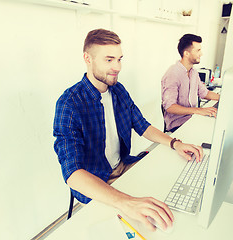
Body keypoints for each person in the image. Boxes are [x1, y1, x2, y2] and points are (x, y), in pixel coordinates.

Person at [53, 29, 203, 231]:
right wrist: (126, 202)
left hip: (124, 166)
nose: (117, 67)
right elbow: (72, 173)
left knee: (172, 190)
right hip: (97, 181)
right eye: (109, 60)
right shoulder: (69, 103)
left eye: (119, 59)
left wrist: (175, 143)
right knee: (145, 224)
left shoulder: (118, 91)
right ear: (87, 58)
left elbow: (142, 125)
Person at [161, 34, 220, 132]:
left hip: (192, 118)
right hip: (178, 125)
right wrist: (198, 110)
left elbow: (204, 93)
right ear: (186, 53)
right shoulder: (173, 74)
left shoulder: (193, 72)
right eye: (198, 50)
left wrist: (225, 98)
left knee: (215, 126)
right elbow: (170, 107)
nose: (201, 54)